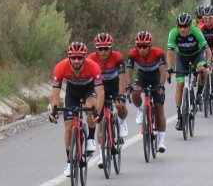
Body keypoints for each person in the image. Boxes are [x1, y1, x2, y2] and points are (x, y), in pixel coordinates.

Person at [49, 42, 104, 178]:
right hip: (72, 93)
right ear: (69, 57)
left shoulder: (93, 66)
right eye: (73, 57)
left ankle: (91, 137)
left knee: (90, 106)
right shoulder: (60, 67)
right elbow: (55, 92)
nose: (76, 60)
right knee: (68, 128)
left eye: (79, 58)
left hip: (88, 90)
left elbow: (100, 92)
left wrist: (98, 111)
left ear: (84, 57)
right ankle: (69, 161)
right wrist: (54, 111)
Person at [87, 33, 130, 168]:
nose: (103, 51)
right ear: (96, 49)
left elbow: (122, 77)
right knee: (99, 118)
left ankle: (122, 122)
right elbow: (88, 80)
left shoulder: (117, 57)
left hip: (114, 85)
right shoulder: (91, 59)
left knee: (119, 104)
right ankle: (101, 154)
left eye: (106, 48)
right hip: (99, 87)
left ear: (111, 48)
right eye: (100, 48)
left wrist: (121, 95)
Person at [126, 31, 169, 152]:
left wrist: (161, 84)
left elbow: (162, 72)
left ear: (150, 46)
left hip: (156, 76)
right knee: (135, 92)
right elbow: (129, 71)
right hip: (143, 75)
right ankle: (141, 111)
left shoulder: (158, 53)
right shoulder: (132, 54)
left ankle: (161, 140)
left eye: (145, 46)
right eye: (139, 46)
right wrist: (129, 85)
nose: (141, 49)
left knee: (158, 107)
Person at [166, 13, 211, 131]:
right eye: (180, 26)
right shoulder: (173, 33)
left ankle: (200, 93)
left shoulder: (196, 32)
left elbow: (207, 50)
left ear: (190, 26)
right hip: (182, 58)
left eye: (185, 26)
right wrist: (169, 68)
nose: (182, 29)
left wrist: (208, 63)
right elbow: (170, 52)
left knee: (203, 70)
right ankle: (179, 115)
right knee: (180, 85)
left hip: (197, 56)